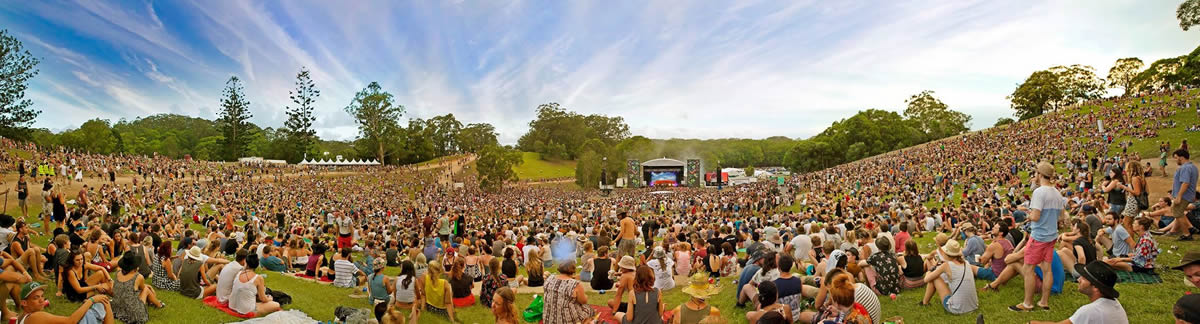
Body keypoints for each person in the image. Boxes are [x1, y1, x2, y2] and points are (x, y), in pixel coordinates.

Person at [1011, 161, 1062, 312]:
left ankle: (1027, 303)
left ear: (1040, 174)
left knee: (1028, 269)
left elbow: (1036, 216)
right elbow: (1059, 216)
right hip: (1051, 235)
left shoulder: (1039, 192)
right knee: (1047, 269)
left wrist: (1029, 214)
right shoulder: (1057, 193)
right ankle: (1044, 302)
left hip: (1039, 236)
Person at [1030, 261, 1127, 324]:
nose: (1079, 279)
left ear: (1096, 288)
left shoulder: (1090, 311)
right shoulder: (1115, 304)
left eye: (1084, 278)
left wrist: (1032, 323)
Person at [919, 240, 978, 315]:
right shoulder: (966, 263)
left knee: (934, 278)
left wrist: (929, 272)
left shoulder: (946, 265)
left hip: (957, 309)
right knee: (937, 277)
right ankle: (925, 303)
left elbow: (926, 279)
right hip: (973, 306)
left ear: (946, 254)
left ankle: (925, 303)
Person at [17, 281, 114, 324]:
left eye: (42, 296)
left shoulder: (20, 318)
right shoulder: (36, 316)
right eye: (36, 298)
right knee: (102, 302)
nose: (42, 300)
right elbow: (70, 321)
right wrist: (91, 301)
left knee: (98, 304)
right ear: (24, 303)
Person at [112, 251, 162, 324]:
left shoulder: (117, 273)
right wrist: (149, 287)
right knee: (146, 289)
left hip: (118, 308)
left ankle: (155, 303)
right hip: (134, 314)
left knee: (145, 288)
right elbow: (142, 288)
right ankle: (159, 304)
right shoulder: (138, 277)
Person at [1170, 149, 1197, 240]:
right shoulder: (1193, 167)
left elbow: (1185, 183)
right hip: (1188, 195)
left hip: (1184, 196)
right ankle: (1190, 228)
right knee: (1178, 211)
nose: (1175, 160)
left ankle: (1187, 234)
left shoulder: (1185, 168)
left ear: (1181, 157)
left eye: (1176, 158)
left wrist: (1179, 196)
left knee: (1177, 213)